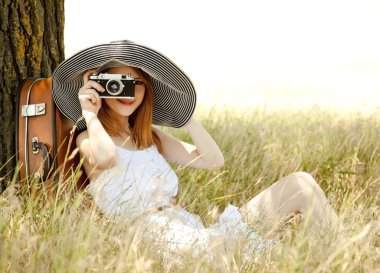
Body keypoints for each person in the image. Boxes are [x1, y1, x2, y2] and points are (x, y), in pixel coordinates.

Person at [52, 40, 340, 262]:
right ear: (101, 87)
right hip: (155, 238)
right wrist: (89, 112)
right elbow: (106, 158)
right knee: (265, 255)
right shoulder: (88, 135)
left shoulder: (151, 137)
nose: (128, 91)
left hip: (192, 228)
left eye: (136, 83)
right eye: (116, 83)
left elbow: (214, 160)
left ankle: (348, 256)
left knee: (302, 183)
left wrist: (186, 116)